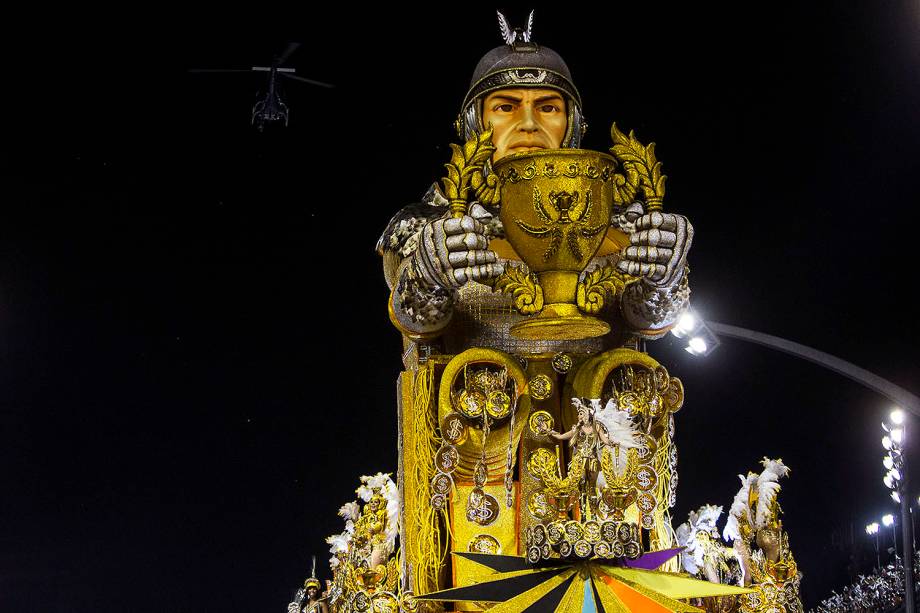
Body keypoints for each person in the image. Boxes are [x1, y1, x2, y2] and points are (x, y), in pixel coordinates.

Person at [378, 13, 693, 357]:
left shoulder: (622, 224)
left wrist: (664, 280)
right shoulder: (426, 224)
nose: (528, 124)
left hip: (606, 407)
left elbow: (648, 322)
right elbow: (416, 322)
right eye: (506, 107)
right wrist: (428, 273)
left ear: (571, 124)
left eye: (547, 107)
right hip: (475, 407)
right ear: (474, 121)